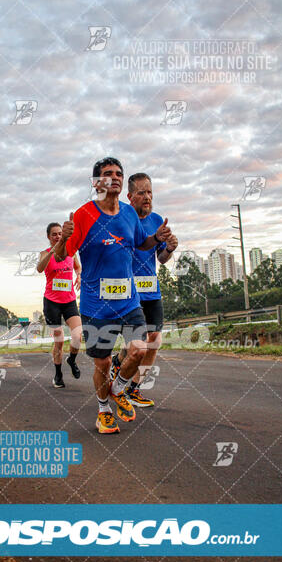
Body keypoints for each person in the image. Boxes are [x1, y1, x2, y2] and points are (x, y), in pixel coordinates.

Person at [54, 157, 172, 434]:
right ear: (97, 183)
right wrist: (63, 238)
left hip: (129, 302)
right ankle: (104, 410)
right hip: (96, 307)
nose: (115, 177)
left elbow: (141, 243)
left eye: (119, 173)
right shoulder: (84, 215)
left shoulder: (130, 213)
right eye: (108, 174)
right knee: (103, 363)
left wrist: (157, 238)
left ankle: (118, 390)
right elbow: (63, 255)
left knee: (140, 348)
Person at [110, 173, 178, 407]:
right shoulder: (122, 218)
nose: (147, 197)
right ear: (130, 196)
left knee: (155, 340)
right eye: (141, 192)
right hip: (128, 293)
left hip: (151, 290)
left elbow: (162, 258)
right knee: (135, 344)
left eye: (150, 192)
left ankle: (134, 389)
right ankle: (118, 361)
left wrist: (169, 248)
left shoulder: (158, 220)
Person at [37, 222, 82, 388]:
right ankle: (58, 374)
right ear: (49, 237)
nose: (58, 236)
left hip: (69, 300)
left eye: (60, 233)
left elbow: (78, 267)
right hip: (51, 302)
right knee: (59, 341)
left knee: (78, 335)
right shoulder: (44, 253)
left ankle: (72, 359)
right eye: (54, 234)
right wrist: (53, 252)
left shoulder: (71, 252)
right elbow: (40, 269)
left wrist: (79, 276)